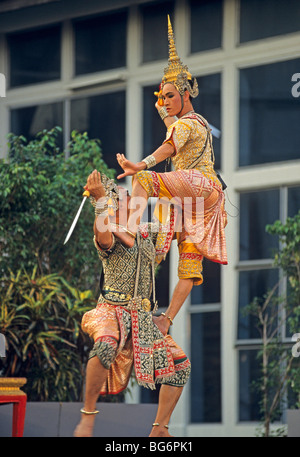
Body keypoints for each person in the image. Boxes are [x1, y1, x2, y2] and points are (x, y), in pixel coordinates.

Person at [115, 15, 228, 335]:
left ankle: (129, 230)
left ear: (186, 94)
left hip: (197, 185)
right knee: (189, 262)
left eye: (169, 96)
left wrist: (141, 164)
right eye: (161, 98)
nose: (164, 102)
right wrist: (166, 115)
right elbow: (176, 136)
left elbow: (169, 147)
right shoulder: (199, 122)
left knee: (143, 182)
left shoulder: (185, 125)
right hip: (204, 198)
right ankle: (166, 319)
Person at [73, 169, 191, 438]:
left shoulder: (147, 234)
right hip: (110, 311)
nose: (126, 202)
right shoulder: (109, 234)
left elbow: (176, 220)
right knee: (105, 345)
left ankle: (160, 429)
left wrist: (191, 194)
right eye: (119, 200)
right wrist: (101, 202)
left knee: (180, 366)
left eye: (125, 199)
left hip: (142, 317)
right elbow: (103, 234)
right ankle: (88, 417)